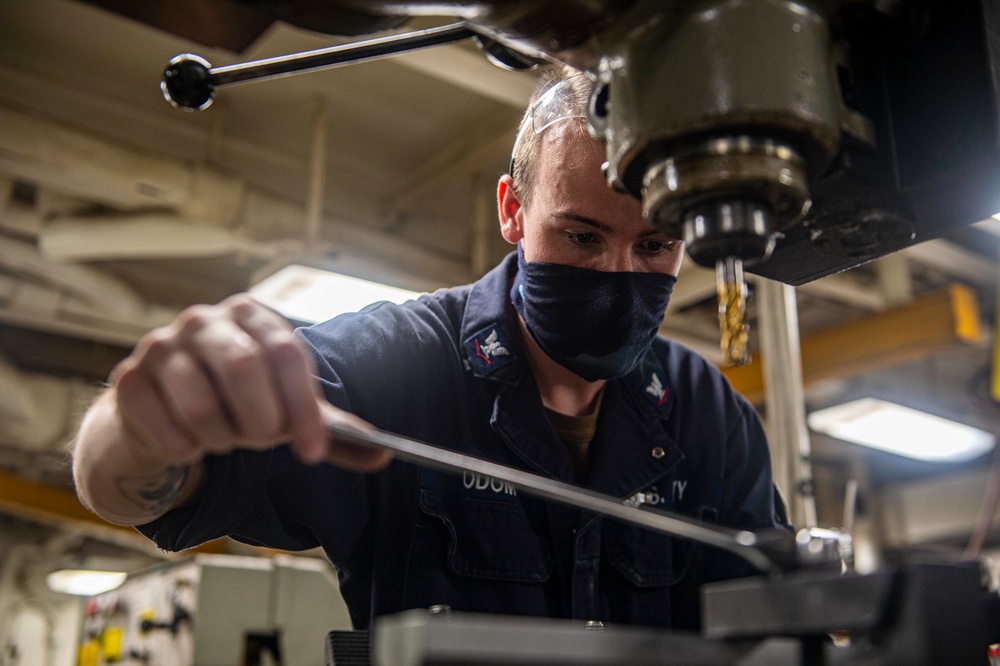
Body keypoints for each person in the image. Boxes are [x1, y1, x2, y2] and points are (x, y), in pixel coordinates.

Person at [72, 67, 789, 632]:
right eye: (581, 237)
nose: (617, 275)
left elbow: (782, 617)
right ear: (512, 209)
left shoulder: (705, 413)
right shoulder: (399, 367)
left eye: (655, 246)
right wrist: (135, 428)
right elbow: (134, 491)